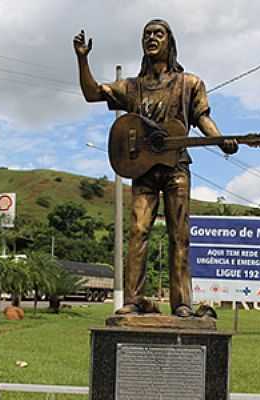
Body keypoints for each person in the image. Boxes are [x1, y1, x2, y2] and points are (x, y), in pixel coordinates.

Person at [73, 19, 238, 317]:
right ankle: (134, 299)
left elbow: (201, 118)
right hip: (143, 169)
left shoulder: (190, 83)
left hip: (177, 167)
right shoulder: (133, 87)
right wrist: (82, 58)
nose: (151, 38)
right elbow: (91, 93)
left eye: (158, 34)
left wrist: (219, 139)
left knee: (180, 235)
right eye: (147, 34)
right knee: (138, 230)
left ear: (169, 42)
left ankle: (182, 303)